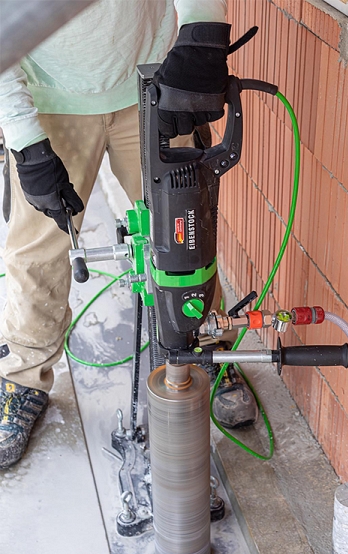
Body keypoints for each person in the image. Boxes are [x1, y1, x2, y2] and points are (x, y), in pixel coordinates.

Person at [0, 0, 258, 469]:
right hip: (49, 99)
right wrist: (24, 141)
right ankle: (24, 373)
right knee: (38, 249)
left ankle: (207, 348)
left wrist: (201, 32)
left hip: (151, 81)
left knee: (185, 233)